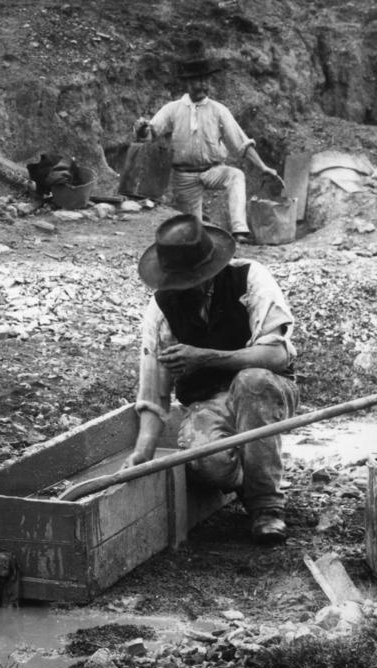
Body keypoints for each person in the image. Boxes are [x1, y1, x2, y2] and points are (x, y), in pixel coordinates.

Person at [123, 213, 298, 543]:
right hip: (208, 400)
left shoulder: (249, 278)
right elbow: (153, 392)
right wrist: (142, 454)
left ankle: (266, 506)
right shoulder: (162, 307)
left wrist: (206, 356)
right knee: (209, 466)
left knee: (252, 382)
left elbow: (277, 355)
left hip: (267, 388)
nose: (187, 288)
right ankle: (249, 467)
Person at [133, 45, 280, 243]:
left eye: (205, 80)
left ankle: (239, 230)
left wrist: (262, 166)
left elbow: (241, 143)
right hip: (184, 177)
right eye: (197, 81)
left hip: (213, 171)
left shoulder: (219, 110)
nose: (202, 85)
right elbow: (151, 132)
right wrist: (142, 128)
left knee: (236, 175)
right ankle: (202, 230)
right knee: (195, 234)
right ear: (187, 83)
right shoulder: (173, 109)